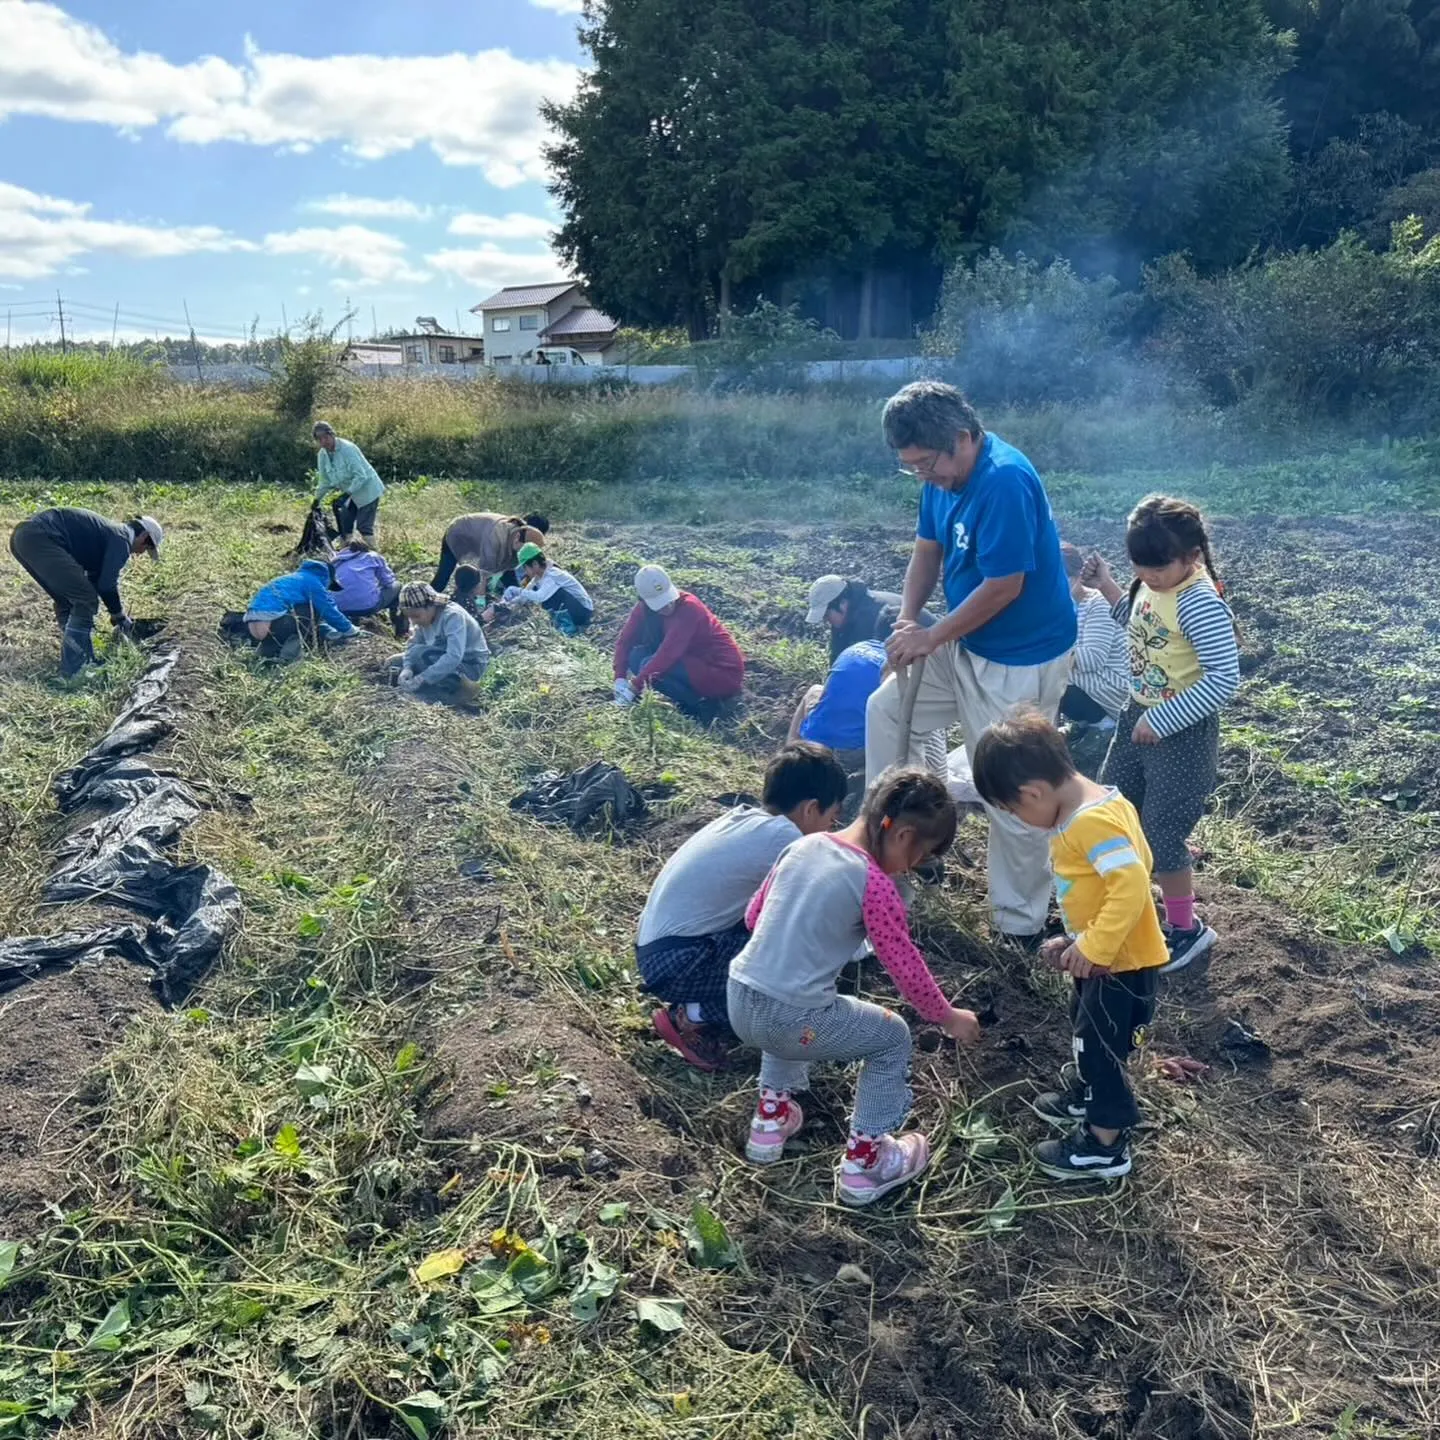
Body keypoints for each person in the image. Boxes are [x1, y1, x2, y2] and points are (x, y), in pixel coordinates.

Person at [866, 381, 1076, 946]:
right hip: (964, 639)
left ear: (962, 438)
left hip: (1018, 656)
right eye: (909, 467)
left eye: (926, 464)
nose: (922, 476)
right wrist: (911, 621)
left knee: (1009, 788)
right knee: (884, 711)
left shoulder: (1003, 479)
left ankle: (1021, 923)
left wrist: (932, 635)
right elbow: (927, 549)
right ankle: (903, 846)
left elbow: (1005, 586)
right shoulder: (940, 476)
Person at [728, 770, 981, 1207]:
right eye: (920, 858)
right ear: (902, 835)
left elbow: (754, 917)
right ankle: (866, 1163)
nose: (914, 869)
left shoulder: (803, 845)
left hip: (739, 998)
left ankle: (770, 1122)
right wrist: (947, 1016)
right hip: (790, 1020)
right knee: (891, 1036)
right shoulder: (875, 883)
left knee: (795, 993)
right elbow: (903, 964)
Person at [970, 708, 1169, 1182]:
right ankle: (1085, 1093)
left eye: (1016, 811)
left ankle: (1104, 1145)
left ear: (1032, 792)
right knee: (1087, 1032)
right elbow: (1109, 887)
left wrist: (1096, 947)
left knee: (1102, 1050)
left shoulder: (1087, 825)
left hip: (1119, 965)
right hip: (1107, 956)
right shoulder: (1103, 801)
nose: (1023, 820)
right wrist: (1077, 939)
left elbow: (1131, 884)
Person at [1082, 496, 1240, 974]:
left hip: (1182, 733)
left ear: (1191, 557)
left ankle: (1187, 929)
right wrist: (1109, 584)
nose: (1148, 574)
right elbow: (1140, 627)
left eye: (1159, 566)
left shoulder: (1198, 601)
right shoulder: (1153, 586)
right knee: (1115, 806)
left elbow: (1224, 677)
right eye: (1139, 565)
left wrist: (1165, 718)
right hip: (1139, 714)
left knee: (1162, 832)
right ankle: (1133, 901)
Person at [639, 742, 850, 1071]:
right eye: (832, 817)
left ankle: (698, 1004)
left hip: (663, 952)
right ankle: (692, 1016)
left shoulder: (747, 820)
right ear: (811, 809)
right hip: (679, 962)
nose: (830, 829)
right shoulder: (787, 841)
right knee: (790, 979)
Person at [9, 508, 163, 675]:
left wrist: (115, 614)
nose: (140, 553)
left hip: (23, 537)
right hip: (41, 537)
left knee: (68, 600)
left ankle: (77, 653)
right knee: (85, 598)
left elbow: (95, 580)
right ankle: (78, 667)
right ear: (143, 536)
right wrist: (120, 616)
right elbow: (106, 585)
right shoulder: (122, 539)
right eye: (146, 547)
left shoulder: (111, 534)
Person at [613, 564, 745, 718]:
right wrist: (619, 678)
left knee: (647, 667)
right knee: (636, 656)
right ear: (644, 600)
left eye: (668, 599)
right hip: (690, 662)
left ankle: (699, 706)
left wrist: (635, 686)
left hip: (720, 671)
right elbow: (626, 640)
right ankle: (686, 697)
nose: (667, 606)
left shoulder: (689, 609)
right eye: (660, 604)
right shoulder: (643, 609)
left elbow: (668, 654)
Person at [1059, 542, 1129, 727]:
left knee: (1050, 675)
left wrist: (1048, 649)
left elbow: (1091, 660)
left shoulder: (1097, 603)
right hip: (1094, 680)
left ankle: (1105, 726)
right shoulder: (1060, 608)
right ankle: (1085, 725)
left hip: (1115, 684)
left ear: (1076, 576)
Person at [390, 581, 490, 702]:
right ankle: (433, 682)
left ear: (431, 605)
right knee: (395, 662)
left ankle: (457, 691)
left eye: (416, 616)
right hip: (441, 655)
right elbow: (414, 644)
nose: (413, 621)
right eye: (410, 617)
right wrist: (408, 668)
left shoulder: (452, 616)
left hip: (470, 664)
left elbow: (454, 656)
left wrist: (422, 678)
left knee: (421, 655)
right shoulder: (425, 618)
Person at [244, 558, 358, 661]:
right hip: (272, 622)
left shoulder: (293, 578)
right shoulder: (313, 582)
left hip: (253, 624)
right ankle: (289, 657)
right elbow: (328, 610)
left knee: (299, 613)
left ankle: (266, 653)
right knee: (313, 610)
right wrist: (350, 630)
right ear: (327, 578)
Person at [432, 512, 549, 593]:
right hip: (459, 534)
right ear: (518, 538)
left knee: (509, 579)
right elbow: (483, 576)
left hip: (481, 538)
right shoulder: (495, 540)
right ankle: (424, 601)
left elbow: (508, 569)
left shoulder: (521, 535)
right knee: (444, 578)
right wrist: (482, 603)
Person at [501, 543, 595, 635]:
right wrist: (509, 601)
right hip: (577, 609)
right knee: (543, 595)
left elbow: (540, 597)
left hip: (584, 611)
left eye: (525, 568)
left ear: (535, 564)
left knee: (550, 597)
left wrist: (517, 590)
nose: (525, 572)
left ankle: (568, 627)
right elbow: (526, 596)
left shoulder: (552, 575)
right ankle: (564, 622)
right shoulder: (539, 576)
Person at [312, 422, 384, 540]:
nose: (324, 441)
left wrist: (346, 494)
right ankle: (347, 552)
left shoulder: (347, 449)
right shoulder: (322, 455)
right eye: (320, 439)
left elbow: (361, 476)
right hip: (351, 493)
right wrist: (316, 500)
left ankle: (373, 555)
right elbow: (324, 481)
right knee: (345, 524)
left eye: (326, 437)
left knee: (363, 527)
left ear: (332, 435)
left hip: (367, 489)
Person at [806, 576, 902, 661]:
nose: (825, 620)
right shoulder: (846, 614)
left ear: (843, 603)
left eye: (826, 615)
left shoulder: (873, 618)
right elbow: (838, 654)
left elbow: (870, 664)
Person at [331, 538, 408, 638]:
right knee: (398, 587)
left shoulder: (335, 561)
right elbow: (388, 582)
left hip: (339, 608)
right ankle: (401, 631)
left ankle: (354, 621)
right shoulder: (372, 556)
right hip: (368, 606)